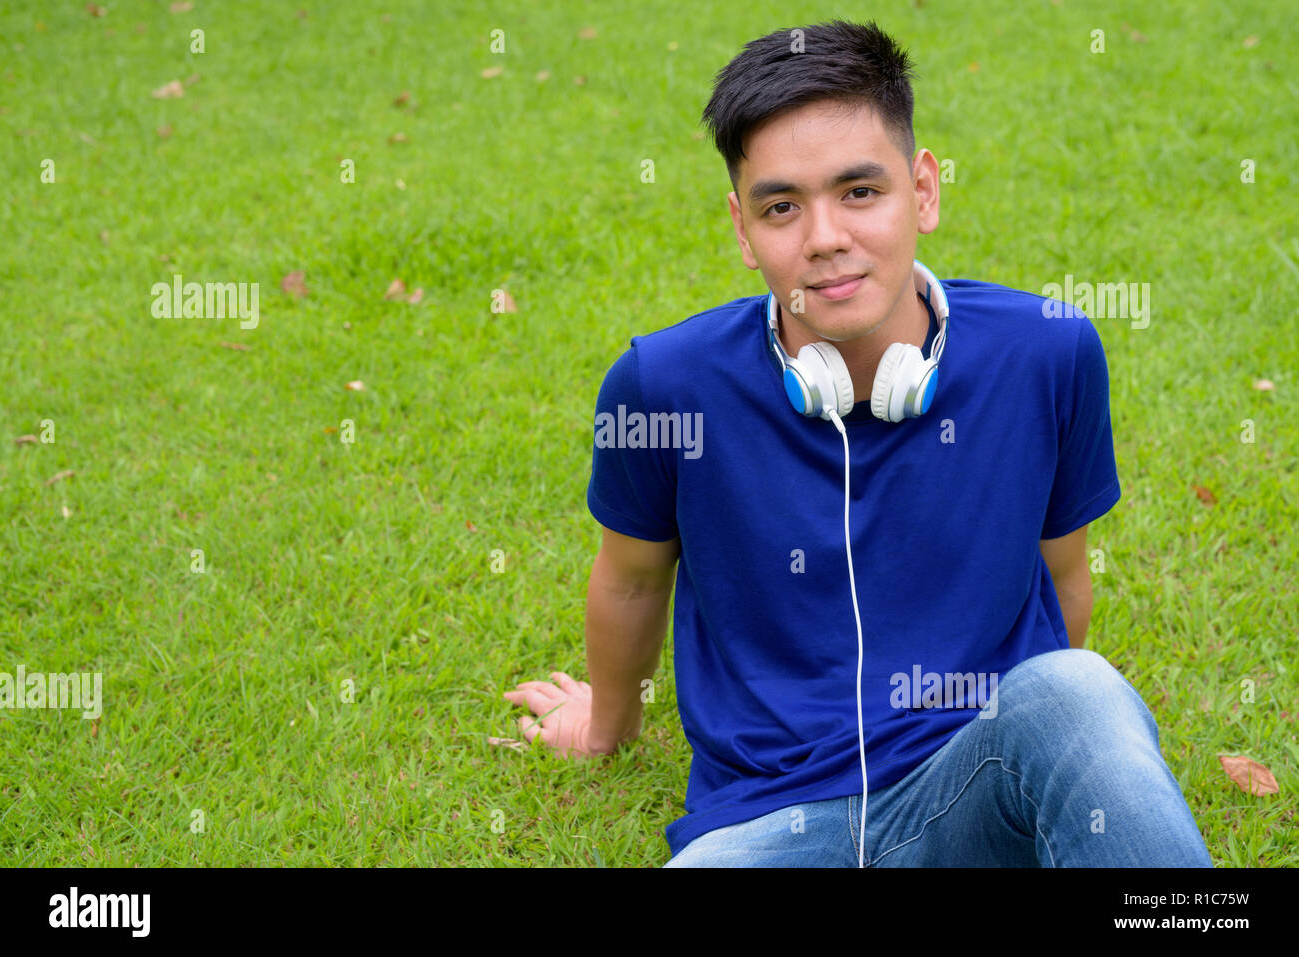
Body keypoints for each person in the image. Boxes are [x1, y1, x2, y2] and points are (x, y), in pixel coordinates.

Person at [501, 19, 1212, 868]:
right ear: (740, 228)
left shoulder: (1047, 353)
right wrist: (604, 724)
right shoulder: (664, 385)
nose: (825, 236)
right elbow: (630, 576)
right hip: (769, 822)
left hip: (974, 779)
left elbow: (1063, 577)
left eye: (860, 192)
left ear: (924, 190)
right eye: (781, 207)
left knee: (1079, 688)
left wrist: (1061, 755)